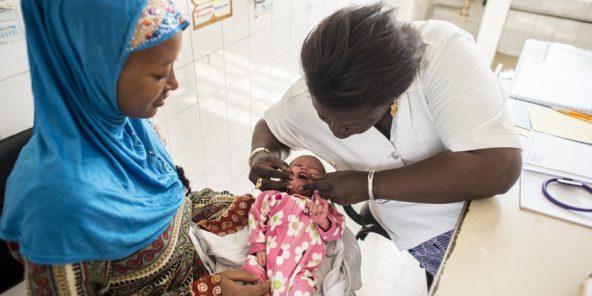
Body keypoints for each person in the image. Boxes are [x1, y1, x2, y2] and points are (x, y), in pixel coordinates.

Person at [0, 0, 269, 295]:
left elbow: (179, 206)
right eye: (159, 73)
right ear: (95, 70)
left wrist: (251, 209)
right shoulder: (57, 205)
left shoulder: (129, 127)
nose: (174, 84)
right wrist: (207, 293)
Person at [248, 3, 522, 277]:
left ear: (394, 94)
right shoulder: (303, 100)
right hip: (423, 234)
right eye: (325, 118)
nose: (336, 132)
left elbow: (499, 167)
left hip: (491, 210)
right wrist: (259, 154)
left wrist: (369, 184)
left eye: (351, 123)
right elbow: (269, 128)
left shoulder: (443, 52)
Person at [242, 155, 345, 295]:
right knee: (250, 265)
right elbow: (255, 216)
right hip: (265, 261)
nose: (305, 168)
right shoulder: (273, 197)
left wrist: (323, 222)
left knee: (303, 287)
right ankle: (261, 291)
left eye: (313, 168)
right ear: (285, 173)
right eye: (297, 164)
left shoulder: (321, 206)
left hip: (300, 270)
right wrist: (258, 246)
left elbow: (337, 231)